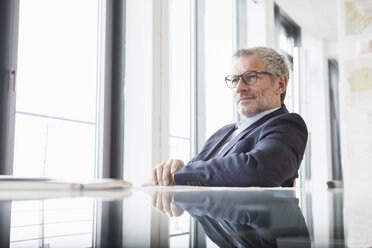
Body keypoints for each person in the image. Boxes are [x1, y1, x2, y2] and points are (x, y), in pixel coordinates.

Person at [145, 46, 308, 187]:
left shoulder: (288, 125)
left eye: (251, 77)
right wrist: (171, 173)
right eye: (235, 80)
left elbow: (257, 169)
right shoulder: (224, 132)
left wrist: (181, 174)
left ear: (280, 84)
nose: (239, 88)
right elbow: (196, 171)